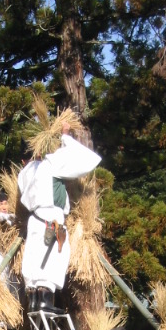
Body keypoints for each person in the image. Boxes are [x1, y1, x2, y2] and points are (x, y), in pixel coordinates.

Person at [18, 123, 101, 313]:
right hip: (51, 219)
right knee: (53, 259)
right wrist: (66, 137)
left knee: (35, 259)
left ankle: (35, 300)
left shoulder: (24, 173)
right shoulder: (50, 164)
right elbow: (84, 160)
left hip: (35, 221)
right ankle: (45, 302)